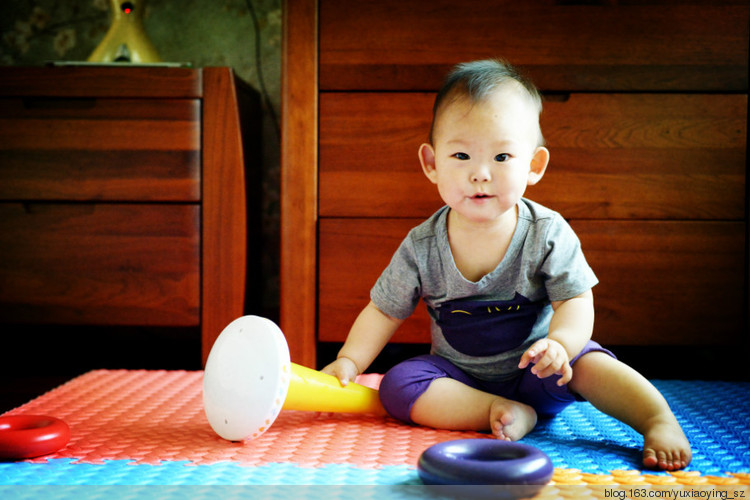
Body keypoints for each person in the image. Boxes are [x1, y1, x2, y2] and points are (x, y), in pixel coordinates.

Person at [321, 59, 691, 471]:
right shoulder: (421, 246)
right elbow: (384, 309)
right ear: (431, 163)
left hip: (540, 371)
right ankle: (497, 410)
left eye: (501, 156)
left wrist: (560, 345)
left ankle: (657, 419)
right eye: (461, 155)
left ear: (533, 166)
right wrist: (350, 361)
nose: (480, 174)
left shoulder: (546, 232)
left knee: (590, 362)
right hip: (459, 380)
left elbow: (576, 300)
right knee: (398, 385)